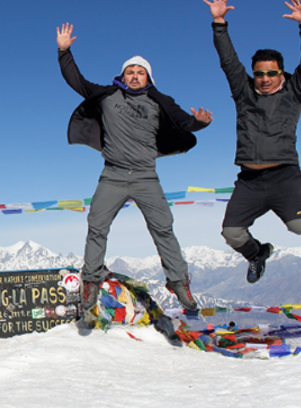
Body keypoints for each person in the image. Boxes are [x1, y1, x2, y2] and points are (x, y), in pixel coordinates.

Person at [57, 22, 212, 312]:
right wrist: (64, 51)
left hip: (145, 177)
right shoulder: (106, 96)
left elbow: (183, 122)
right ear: (122, 75)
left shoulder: (159, 101)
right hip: (112, 175)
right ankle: (90, 280)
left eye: (140, 72)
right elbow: (76, 81)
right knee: (97, 226)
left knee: (163, 228)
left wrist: (199, 124)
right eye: (130, 71)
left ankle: (179, 282)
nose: (135, 76)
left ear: (148, 77)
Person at [204, 0, 301, 284]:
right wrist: (219, 23)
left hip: (284, 176)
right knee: (231, 233)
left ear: (282, 74)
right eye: (259, 73)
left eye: (271, 73)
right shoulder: (244, 92)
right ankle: (257, 254)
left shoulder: (295, 93)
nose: (264, 78)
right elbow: (228, 62)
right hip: (249, 180)